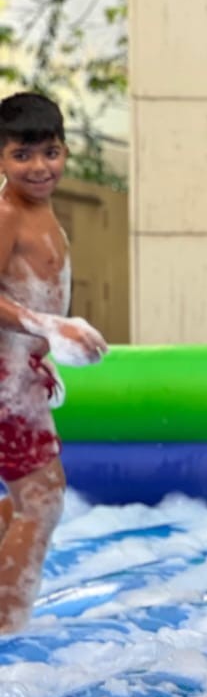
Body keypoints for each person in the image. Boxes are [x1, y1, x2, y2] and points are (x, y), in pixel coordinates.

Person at [0, 93, 108, 632]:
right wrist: (49, 326)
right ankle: (7, 626)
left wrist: (48, 351)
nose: (39, 167)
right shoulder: (7, 215)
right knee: (40, 500)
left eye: (50, 152)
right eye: (22, 155)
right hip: (5, 384)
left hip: (21, 380)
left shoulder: (41, 213)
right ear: (1, 158)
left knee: (29, 498)